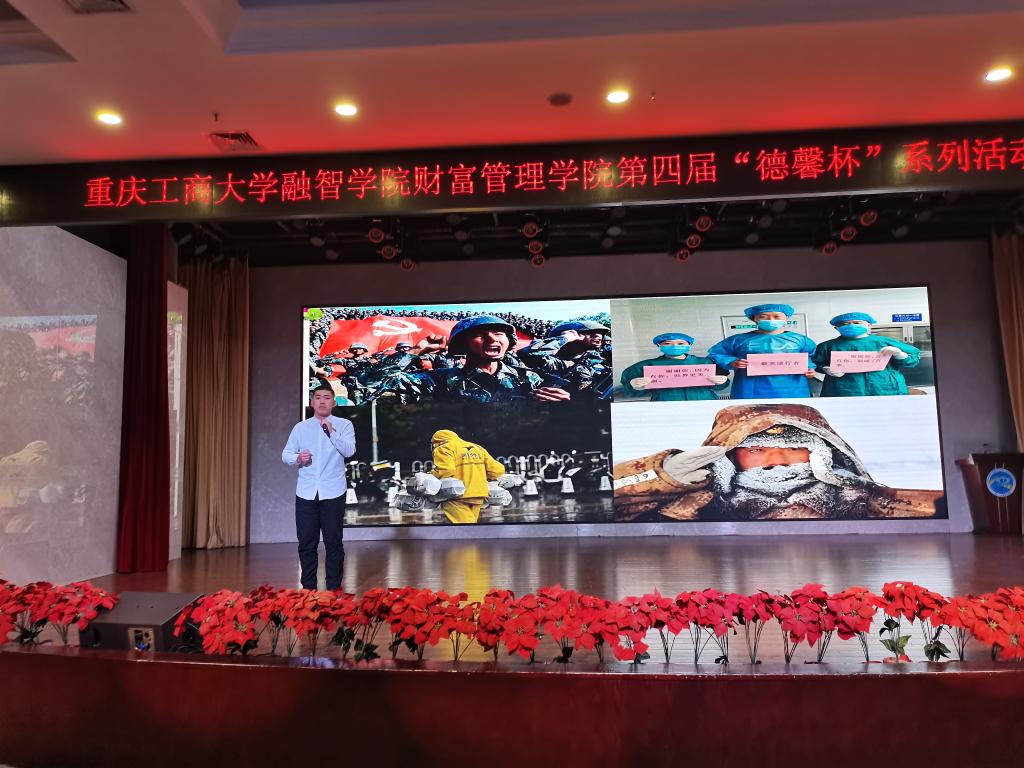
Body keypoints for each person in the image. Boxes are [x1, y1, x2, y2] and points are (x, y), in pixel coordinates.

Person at [613, 403, 944, 522]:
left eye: (795, 448)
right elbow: (601, 504)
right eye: (757, 450)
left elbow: (940, 508)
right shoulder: (695, 505)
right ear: (730, 457)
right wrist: (663, 476)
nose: (776, 461)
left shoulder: (862, 498)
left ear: (822, 454)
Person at [357, 315, 571, 403]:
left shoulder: (530, 378)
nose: (492, 339)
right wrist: (416, 350)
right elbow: (370, 381)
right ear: (462, 344)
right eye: (480, 335)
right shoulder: (439, 380)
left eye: (498, 333)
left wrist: (563, 401)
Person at [281, 382, 356, 590]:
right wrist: (298, 458)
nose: (322, 401)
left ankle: (333, 590)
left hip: (333, 492)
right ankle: (308, 590)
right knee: (307, 543)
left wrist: (332, 433)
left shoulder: (344, 425)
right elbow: (286, 455)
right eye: (318, 397)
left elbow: (349, 451)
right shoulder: (301, 428)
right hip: (306, 493)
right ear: (312, 402)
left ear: (334, 402)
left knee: (333, 543)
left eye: (327, 398)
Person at [707, 304, 817, 399]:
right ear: (754, 319)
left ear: (786, 318)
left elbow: (812, 357)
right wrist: (732, 362)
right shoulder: (738, 340)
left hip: (792, 389)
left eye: (777, 316)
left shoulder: (800, 340)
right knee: (750, 415)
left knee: (792, 414)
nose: (771, 320)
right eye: (763, 317)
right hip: (749, 389)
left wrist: (810, 369)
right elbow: (717, 353)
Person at [813, 312, 922, 397]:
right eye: (844, 324)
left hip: (885, 389)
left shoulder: (885, 342)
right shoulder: (827, 346)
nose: (851, 325)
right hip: (844, 390)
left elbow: (913, 359)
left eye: (857, 323)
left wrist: (899, 354)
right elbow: (815, 364)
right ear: (837, 328)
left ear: (869, 325)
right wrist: (826, 369)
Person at [516, 320, 612, 399]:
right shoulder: (555, 361)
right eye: (590, 333)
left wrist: (572, 399)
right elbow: (528, 354)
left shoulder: (597, 363)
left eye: (600, 333)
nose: (599, 336)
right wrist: (564, 338)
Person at [620, 332, 729, 401]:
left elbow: (719, 386)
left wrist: (722, 381)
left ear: (689, 345)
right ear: (659, 345)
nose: (674, 346)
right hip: (666, 407)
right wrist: (634, 386)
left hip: (704, 402)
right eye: (667, 343)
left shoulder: (705, 362)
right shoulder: (647, 365)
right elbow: (630, 391)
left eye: (681, 344)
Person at [430, 429, 506, 523]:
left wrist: (430, 476)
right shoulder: (477, 448)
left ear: (438, 442)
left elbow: (445, 470)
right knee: (470, 524)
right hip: (478, 494)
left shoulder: (444, 448)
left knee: (466, 526)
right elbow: (497, 470)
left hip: (456, 495)